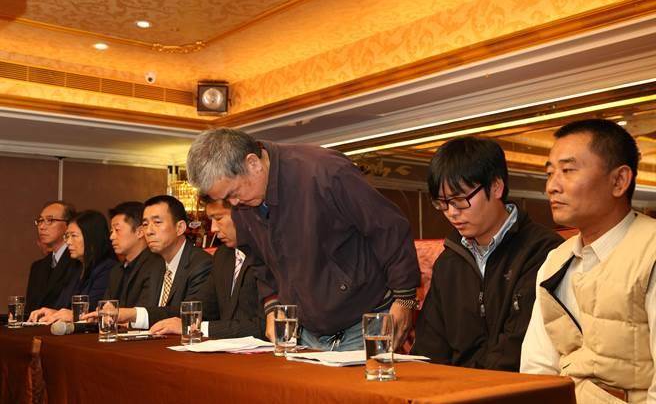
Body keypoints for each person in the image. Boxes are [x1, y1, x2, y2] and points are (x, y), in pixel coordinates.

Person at [186, 128, 420, 351]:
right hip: (305, 332)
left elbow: (389, 228)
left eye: (233, 193)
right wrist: (272, 305)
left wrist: (404, 299)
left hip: (365, 323)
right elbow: (259, 260)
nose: (234, 204)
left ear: (253, 163)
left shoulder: (325, 171)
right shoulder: (245, 204)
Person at [520, 119, 654, 403]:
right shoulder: (556, 260)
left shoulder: (650, 251)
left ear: (619, 181)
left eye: (568, 170)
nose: (552, 186)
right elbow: (538, 365)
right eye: (549, 173)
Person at [412, 137, 562, 370]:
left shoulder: (542, 251)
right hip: (454, 387)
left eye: (460, 200)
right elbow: (429, 347)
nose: (451, 212)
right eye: (442, 203)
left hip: (516, 385)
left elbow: (517, 347)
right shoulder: (449, 262)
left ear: (496, 187)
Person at [85, 195, 212, 328]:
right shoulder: (154, 264)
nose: (149, 231)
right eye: (145, 224)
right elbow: (148, 309)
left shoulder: (201, 264)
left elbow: (190, 314)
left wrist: (132, 314)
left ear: (179, 228)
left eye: (157, 222)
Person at [150, 199, 265, 339]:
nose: (213, 229)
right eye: (211, 220)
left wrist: (196, 328)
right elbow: (202, 307)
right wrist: (137, 315)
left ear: (243, 214)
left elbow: (265, 325)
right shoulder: (223, 255)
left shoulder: (268, 254)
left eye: (219, 218)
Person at [28, 210, 116, 323]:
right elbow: (64, 306)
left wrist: (71, 315)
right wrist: (53, 312)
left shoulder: (108, 268)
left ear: (91, 237)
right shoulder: (75, 268)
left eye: (74, 236)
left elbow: (93, 312)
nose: (68, 242)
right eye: (67, 236)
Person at [104, 201, 164, 307]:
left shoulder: (155, 266)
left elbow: (145, 310)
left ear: (139, 232)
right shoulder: (116, 270)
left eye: (117, 230)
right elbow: (106, 307)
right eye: (111, 231)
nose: (111, 237)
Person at [25, 201, 77, 315]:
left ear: (68, 225)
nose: (42, 227)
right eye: (40, 221)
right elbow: (30, 310)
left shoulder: (77, 262)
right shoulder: (37, 267)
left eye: (50, 220)